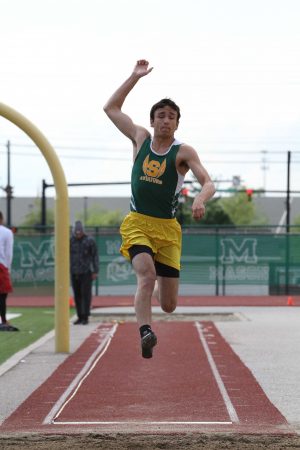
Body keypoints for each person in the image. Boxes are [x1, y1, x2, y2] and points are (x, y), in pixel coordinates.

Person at [103, 59, 215, 358]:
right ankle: (145, 331)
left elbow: (208, 182)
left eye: (171, 117)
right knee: (145, 273)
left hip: (168, 230)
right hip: (138, 223)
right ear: (152, 121)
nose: (166, 120)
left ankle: (152, 296)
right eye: (161, 116)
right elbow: (111, 109)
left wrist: (200, 199)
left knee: (169, 304)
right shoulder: (140, 138)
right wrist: (134, 77)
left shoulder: (183, 152)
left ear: (177, 123)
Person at [70, 221, 99, 325]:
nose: (78, 234)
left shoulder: (89, 240)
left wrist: (95, 270)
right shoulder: (70, 241)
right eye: (76, 232)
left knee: (86, 295)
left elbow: (95, 256)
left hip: (86, 272)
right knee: (77, 295)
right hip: (74, 272)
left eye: (80, 232)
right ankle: (79, 316)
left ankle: (85, 316)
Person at [0, 211, 19, 331]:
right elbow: (8, 253)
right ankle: (3, 320)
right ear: (1, 219)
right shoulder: (7, 232)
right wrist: (8, 268)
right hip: (1, 266)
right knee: (2, 295)